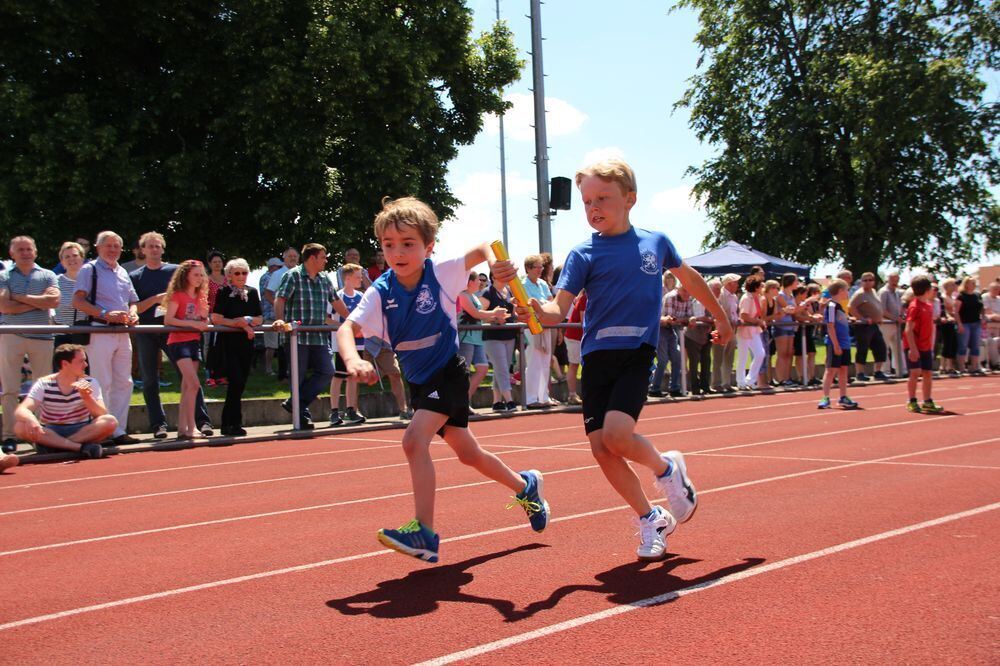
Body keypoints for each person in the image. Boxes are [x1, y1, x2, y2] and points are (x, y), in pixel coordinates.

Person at [518, 158, 731, 561]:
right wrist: (534, 311)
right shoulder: (582, 253)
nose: (593, 207)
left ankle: (667, 469)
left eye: (603, 198)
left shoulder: (656, 242)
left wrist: (721, 316)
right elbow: (556, 311)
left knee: (617, 435)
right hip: (598, 355)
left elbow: (689, 279)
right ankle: (651, 518)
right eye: (586, 201)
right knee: (602, 450)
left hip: (637, 350)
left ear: (630, 199)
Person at [339, 196, 549, 564]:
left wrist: (497, 262)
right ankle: (525, 485)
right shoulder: (381, 290)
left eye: (408, 244)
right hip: (419, 379)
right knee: (468, 454)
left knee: (413, 441)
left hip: (448, 371)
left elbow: (483, 247)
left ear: (429, 246)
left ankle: (424, 532)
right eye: (389, 245)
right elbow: (347, 328)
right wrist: (353, 358)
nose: (398, 253)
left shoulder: (441, 273)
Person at [130, 232, 212, 439]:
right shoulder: (135, 276)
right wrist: (156, 300)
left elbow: (192, 298)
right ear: (143, 249)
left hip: (178, 333)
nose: (154, 249)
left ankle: (201, 422)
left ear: (163, 249)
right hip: (148, 331)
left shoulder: (176, 271)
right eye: (150, 246)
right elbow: (135, 307)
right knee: (149, 379)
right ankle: (159, 424)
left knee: (189, 378)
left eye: (158, 246)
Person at [72, 231, 140, 444]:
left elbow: (132, 300)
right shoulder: (88, 269)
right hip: (100, 330)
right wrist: (104, 314)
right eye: (108, 245)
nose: (112, 250)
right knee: (102, 381)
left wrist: (134, 312)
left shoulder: (122, 272)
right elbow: (78, 300)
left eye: (116, 246)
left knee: (124, 382)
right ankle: (101, 429)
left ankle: (118, 429)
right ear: (98, 247)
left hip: (123, 332)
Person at [273, 243, 349, 430]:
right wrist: (280, 320)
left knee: (327, 371)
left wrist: (351, 320)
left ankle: (295, 403)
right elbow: (280, 298)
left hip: (318, 337)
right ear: (312, 258)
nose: (326, 260)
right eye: (323, 257)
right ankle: (302, 415)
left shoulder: (324, 279)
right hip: (296, 337)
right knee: (297, 378)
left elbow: (336, 301)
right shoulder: (293, 276)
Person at [0, 236, 60, 452]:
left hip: (42, 337)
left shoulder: (48, 275)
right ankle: (9, 435)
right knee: (10, 390)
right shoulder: (4, 275)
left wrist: (20, 297)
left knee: (42, 389)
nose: (25, 253)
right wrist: (37, 302)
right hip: (11, 336)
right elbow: (4, 306)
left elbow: (53, 301)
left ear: (35, 252)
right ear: (12, 253)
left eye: (29, 249)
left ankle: (39, 434)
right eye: (20, 250)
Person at [14, 344, 117, 458]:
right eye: (81, 361)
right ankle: (78, 447)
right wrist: (31, 420)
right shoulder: (44, 383)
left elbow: (101, 414)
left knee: (110, 421)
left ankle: (54, 446)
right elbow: (22, 409)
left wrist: (86, 397)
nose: (86, 364)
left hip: (82, 430)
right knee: (20, 426)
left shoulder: (90, 382)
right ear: (65, 364)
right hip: (51, 430)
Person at [211, 258, 263, 436]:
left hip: (247, 343)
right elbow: (216, 317)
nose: (241, 276)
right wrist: (237, 324)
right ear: (230, 276)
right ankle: (229, 423)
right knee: (235, 381)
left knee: (241, 384)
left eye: (244, 272)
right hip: (228, 343)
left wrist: (247, 322)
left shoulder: (253, 292)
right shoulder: (224, 292)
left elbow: (259, 318)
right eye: (237, 273)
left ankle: (232, 422)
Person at [163, 260, 211, 440]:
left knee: (187, 387)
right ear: (186, 276)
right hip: (178, 342)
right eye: (195, 275)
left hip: (194, 342)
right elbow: (169, 319)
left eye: (201, 275)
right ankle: (191, 427)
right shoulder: (178, 295)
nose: (199, 278)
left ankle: (182, 427)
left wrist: (203, 315)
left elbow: (203, 319)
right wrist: (191, 323)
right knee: (194, 384)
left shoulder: (200, 296)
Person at [458, 271, 506, 411]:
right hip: (465, 338)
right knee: (463, 373)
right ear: (470, 282)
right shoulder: (462, 295)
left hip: (477, 338)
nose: (480, 282)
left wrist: (496, 318)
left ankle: (463, 402)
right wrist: (494, 313)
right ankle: (461, 404)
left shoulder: (474, 296)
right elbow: (475, 313)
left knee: (483, 369)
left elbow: (480, 317)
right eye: (478, 280)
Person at [328, 263, 366, 427]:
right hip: (342, 344)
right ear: (348, 278)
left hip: (359, 343)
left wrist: (362, 330)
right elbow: (326, 318)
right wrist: (345, 329)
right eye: (358, 276)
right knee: (339, 376)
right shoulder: (337, 296)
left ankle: (351, 409)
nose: (361, 279)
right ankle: (334, 411)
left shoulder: (361, 296)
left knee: (353, 376)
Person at [903, 275, 944, 413]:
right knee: (915, 372)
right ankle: (912, 400)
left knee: (927, 373)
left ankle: (927, 401)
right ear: (927, 290)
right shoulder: (915, 307)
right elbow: (908, 329)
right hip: (914, 345)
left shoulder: (929, 306)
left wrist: (930, 346)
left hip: (926, 345)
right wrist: (912, 349)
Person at [480, 269, 519, 412]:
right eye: (503, 274)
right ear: (494, 276)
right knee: (502, 368)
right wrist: (495, 318)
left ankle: (497, 402)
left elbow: (512, 314)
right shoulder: (487, 292)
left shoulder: (508, 292)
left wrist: (514, 308)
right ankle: (510, 400)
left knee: (500, 369)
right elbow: (480, 314)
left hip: (509, 336)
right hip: (493, 337)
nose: (506, 277)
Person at [818, 279, 859, 409]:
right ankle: (825, 397)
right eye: (846, 290)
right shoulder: (830, 306)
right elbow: (830, 326)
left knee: (843, 369)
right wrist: (835, 345)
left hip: (845, 342)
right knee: (830, 370)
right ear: (840, 291)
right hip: (835, 342)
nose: (848, 292)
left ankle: (843, 396)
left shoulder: (839, 306)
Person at [522, 254, 556, 408]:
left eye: (541, 266)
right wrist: (542, 306)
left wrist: (541, 306)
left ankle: (543, 397)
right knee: (534, 360)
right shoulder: (523, 284)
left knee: (545, 360)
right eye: (537, 266)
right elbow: (528, 305)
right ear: (528, 268)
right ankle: (530, 398)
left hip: (545, 325)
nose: (540, 269)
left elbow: (550, 303)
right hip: (531, 326)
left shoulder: (543, 284)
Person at [264, 247, 300, 381]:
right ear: (284, 258)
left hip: (298, 316)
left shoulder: (302, 272)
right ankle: (283, 375)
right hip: (284, 316)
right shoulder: (278, 274)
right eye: (289, 256)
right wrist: (279, 307)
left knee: (297, 345)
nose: (292, 258)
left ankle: (296, 374)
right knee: (284, 346)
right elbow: (268, 292)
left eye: (295, 256)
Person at [849, 272, 889, 381]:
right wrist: (862, 318)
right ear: (861, 282)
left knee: (880, 347)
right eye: (865, 280)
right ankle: (860, 373)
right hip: (864, 326)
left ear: (874, 281)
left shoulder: (873, 292)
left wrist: (879, 317)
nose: (868, 282)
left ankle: (878, 371)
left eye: (870, 280)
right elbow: (851, 308)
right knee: (862, 349)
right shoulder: (859, 294)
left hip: (875, 325)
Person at [735, 276, 767, 391]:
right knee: (743, 356)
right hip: (745, 329)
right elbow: (744, 315)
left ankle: (750, 380)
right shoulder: (746, 298)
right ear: (756, 287)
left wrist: (759, 321)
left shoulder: (757, 298)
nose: (763, 288)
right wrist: (757, 321)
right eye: (761, 286)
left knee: (760, 353)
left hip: (754, 330)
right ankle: (741, 382)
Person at [53, 241, 86, 348]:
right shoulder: (55, 282)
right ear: (62, 262)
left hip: (86, 335)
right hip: (61, 336)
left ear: (82, 258)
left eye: (75, 255)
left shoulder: (91, 281)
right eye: (67, 257)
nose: (71, 259)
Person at [711, 274, 740, 393]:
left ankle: (726, 382)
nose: (738, 285)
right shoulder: (721, 295)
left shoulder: (734, 297)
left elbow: (734, 312)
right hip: (721, 329)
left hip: (732, 329)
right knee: (718, 357)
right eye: (736, 282)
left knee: (729, 357)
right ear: (729, 283)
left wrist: (736, 320)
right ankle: (716, 383)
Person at [204, 250, 228, 388]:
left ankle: (222, 374)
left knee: (223, 346)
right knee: (209, 345)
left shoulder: (227, 279)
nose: (218, 264)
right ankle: (209, 374)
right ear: (209, 264)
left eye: (219, 261)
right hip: (211, 316)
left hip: (225, 318)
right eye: (214, 262)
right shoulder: (207, 280)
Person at [954, 276, 985, 374]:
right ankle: (962, 367)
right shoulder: (961, 296)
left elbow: (982, 308)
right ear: (966, 284)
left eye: (974, 283)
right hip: (965, 323)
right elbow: (956, 312)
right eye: (972, 283)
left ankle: (975, 367)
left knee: (975, 345)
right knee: (963, 345)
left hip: (976, 323)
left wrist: (983, 317)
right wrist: (959, 324)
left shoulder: (977, 295)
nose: (974, 284)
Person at [685, 290, 714, 395]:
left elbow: (713, 318)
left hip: (706, 335)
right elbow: (690, 319)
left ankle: (705, 386)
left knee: (706, 361)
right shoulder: (691, 301)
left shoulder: (710, 302)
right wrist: (703, 319)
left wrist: (705, 319)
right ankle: (695, 388)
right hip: (693, 336)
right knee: (694, 362)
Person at [258, 257, 283, 375]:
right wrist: (279, 306)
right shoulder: (266, 278)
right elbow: (268, 294)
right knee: (271, 345)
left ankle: (280, 369)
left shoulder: (275, 277)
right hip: (270, 315)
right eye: (279, 267)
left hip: (279, 315)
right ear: (272, 267)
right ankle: (268, 369)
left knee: (280, 344)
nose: (281, 269)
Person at [773, 273, 799, 386]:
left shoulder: (791, 295)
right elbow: (788, 309)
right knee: (782, 353)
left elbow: (792, 310)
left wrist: (792, 310)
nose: (797, 283)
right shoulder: (780, 295)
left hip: (790, 326)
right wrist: (792, 310)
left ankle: (787, 377)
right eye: (796, 281)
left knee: (789, 353)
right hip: (781, 325)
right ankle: (781, 378)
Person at [878, 271, 905, 376]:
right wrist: (895, 318)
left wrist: (901, 316)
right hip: (885, 323)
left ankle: (901, 370)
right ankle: (886, 371)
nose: (895, 282)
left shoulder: (897, 293)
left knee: (898, 348)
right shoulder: (883, 292)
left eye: (897, 280)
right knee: (884, 347)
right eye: (893, 279)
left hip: (896, 324)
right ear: (888, 280)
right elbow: (882, 309)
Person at [563, 289, 587, 404]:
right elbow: (584, 321)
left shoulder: (586, 297)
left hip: (582, 337)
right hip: (574, 337)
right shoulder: (584, 298)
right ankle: (572, 395)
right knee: (574, 365)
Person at [938, 277, 959, 375]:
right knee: (946, 344)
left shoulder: (954, 298)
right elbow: (945, 311)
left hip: (953, 323)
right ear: (946, 286)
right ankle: (942, 366)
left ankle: (950, 366)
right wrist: (950, 316)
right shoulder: (943, 297)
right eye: (952, 284)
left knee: (953, 344)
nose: (955, 286)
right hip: (946, 324)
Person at [984, 281, 1000, 370]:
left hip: (998, 327)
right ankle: (996, 363)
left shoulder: (999, 299)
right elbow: (987, 313)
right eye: (995, 289)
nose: (997, 291)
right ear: (990, 289)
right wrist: (994, 316)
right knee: (992, 342)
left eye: (998, 289)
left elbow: (992, 314)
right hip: (987, 327)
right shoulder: (984, 298)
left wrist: (994, 315)